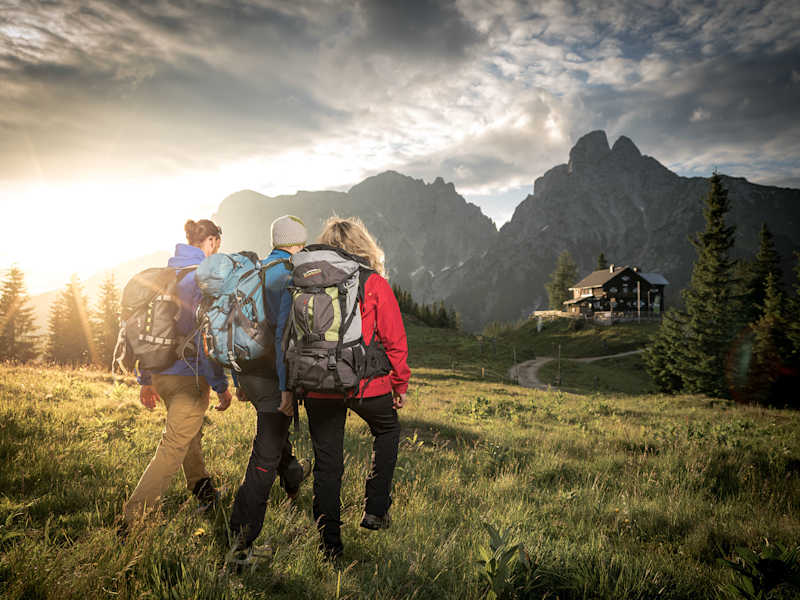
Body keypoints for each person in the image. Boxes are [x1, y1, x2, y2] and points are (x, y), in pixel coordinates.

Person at [302, 216, 410, 560]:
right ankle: (375, 508)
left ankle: (329, 547)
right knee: (387, 428)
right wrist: (399, 384)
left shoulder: (307, 281)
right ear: (364, 246)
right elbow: (395, 341)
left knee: (327, 465)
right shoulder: (373, 282)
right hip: (365, 382)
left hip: (318, 382)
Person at [122, 219, 233, 528]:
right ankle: (134, 516)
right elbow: (206, 338)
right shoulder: (201, 279)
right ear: (210, 242)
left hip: (159, 374)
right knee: (173, 445)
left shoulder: (164, 275)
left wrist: (146, 380)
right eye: (216, 246)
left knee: (188, 433)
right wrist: (221, 384)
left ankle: (202, 488)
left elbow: (144, 331)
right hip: (189, 377)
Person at [228, 215, 312, 560]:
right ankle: (240, 547)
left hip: (245, 371)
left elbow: (231, 326)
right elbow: (284, 340)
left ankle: (292, 475)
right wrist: (286, 389)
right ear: (298, 245)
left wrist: (237, 381)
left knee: (276, 439)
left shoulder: (250, 272)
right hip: (270, 379)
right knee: (263, 459)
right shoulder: (288, 277)